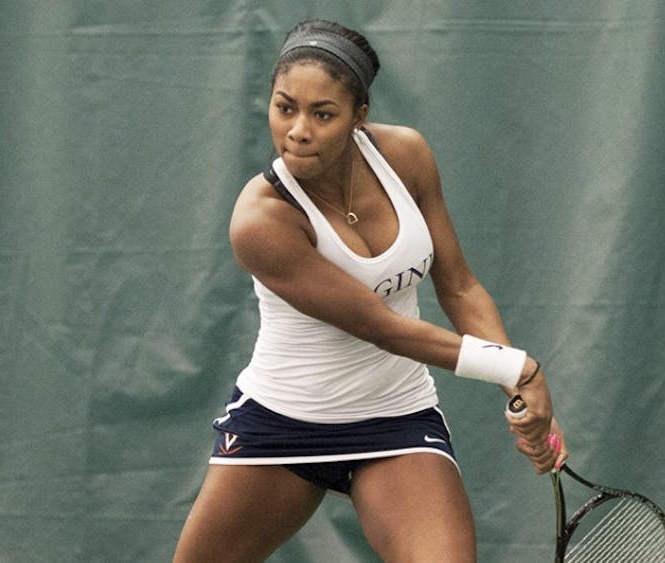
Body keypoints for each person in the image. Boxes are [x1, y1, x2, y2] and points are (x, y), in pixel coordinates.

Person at [173, 19, 568, 562]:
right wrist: (516, 368)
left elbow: (459, 285)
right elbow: (380, 327)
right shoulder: (260, 221)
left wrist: (516, 392)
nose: (298, 130)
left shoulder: (406, 156)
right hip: (280, 424)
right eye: (285, 107)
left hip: (397, 417)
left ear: (360, 116)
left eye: (323, 113)